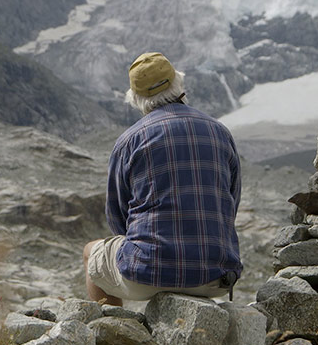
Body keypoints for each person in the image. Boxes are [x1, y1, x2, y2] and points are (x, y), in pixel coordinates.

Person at [83, 52, 242, 306]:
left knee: (92, 252)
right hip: (217, 278)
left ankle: (112, 334)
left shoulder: (129, 141)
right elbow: (231, 203)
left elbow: (117, 217)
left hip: (147, 276)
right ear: (179, 83)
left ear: (135, 98)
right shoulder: (220, 132)